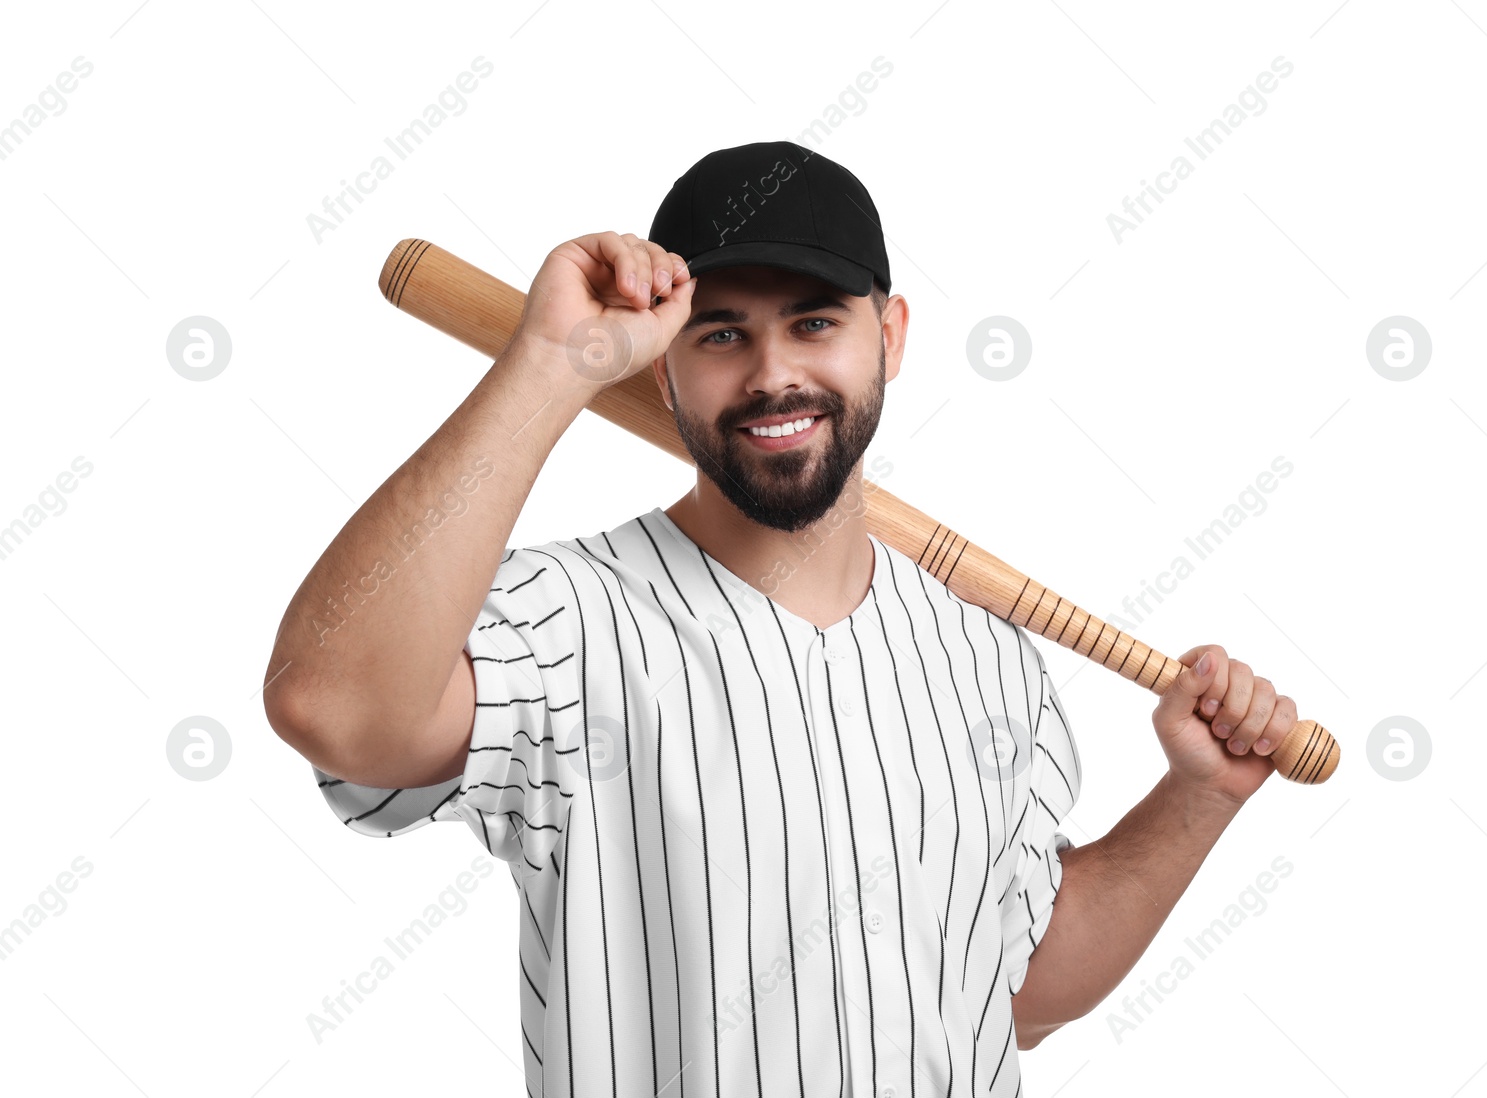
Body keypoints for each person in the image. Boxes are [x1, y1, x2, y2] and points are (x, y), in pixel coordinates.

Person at [264, 140, 1298, 1097]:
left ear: (887, 337)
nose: (771, 377)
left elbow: (1015, 992)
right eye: (721, 333)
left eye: (814, 322)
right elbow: (335, 704)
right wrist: (550, 365)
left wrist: (1197, 797)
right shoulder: (562, 623)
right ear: (660, 364)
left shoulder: (985, 655)